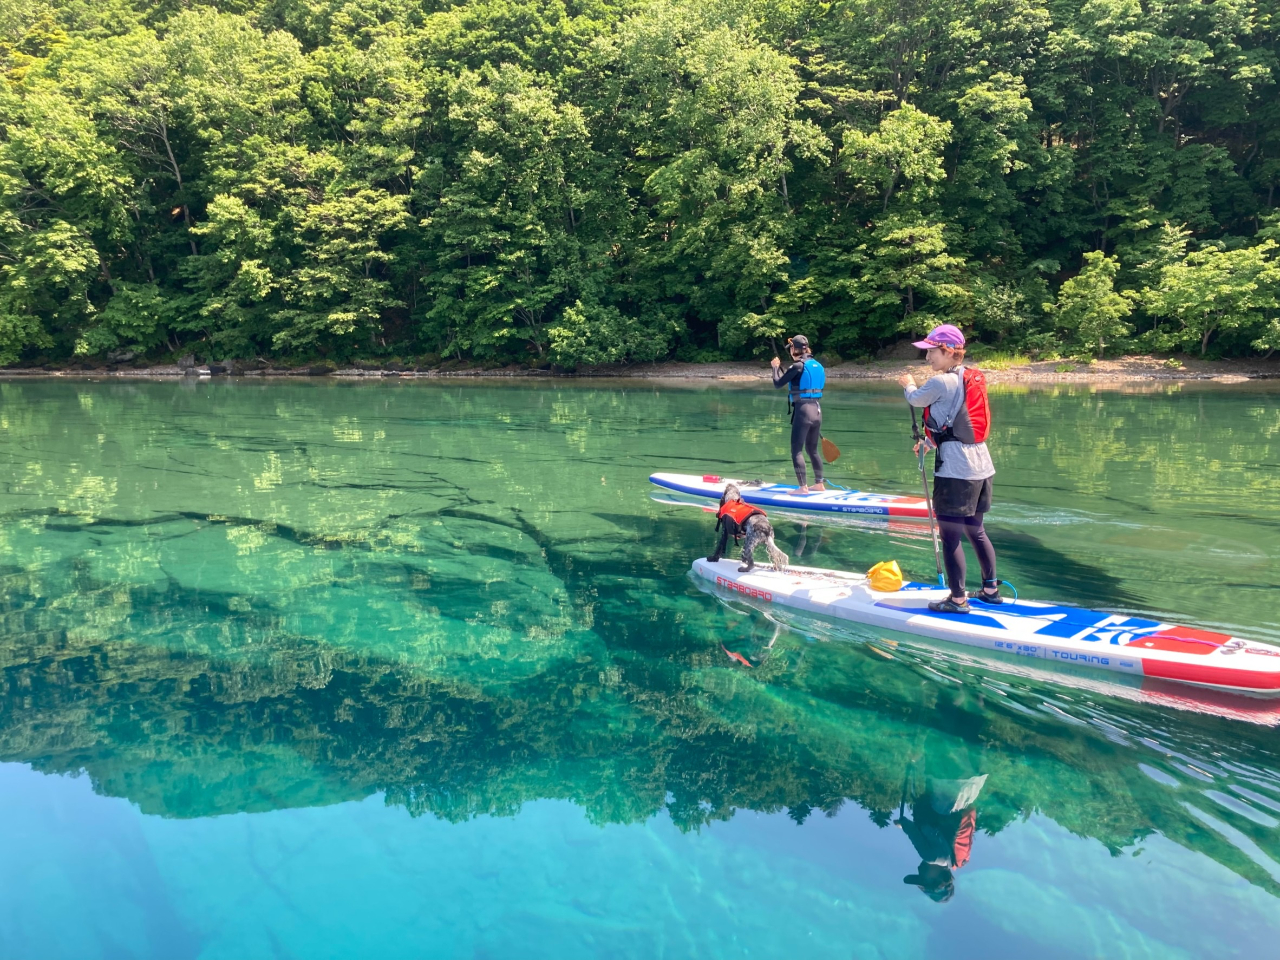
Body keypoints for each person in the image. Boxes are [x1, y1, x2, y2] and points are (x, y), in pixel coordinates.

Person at [896, 324, 999, 614]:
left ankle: (957, 600)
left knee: (950, 535)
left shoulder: (941, 382)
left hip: (956, 471)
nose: (927, 358)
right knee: (976, 530)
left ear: (947, 350)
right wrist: (930, 443)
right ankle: (990, 590)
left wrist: (908, 384)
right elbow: (955, 422)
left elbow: (916, 400)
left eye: (930, 352)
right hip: (981, 465)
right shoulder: (970, 377)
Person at [770, 335, 826, 493]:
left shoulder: (797, 367)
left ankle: (803, 487)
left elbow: (777, 383)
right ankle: (819, 484)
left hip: (803, 411)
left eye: (791, 348)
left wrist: (775, 367)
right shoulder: (818, 365)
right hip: (817, 409)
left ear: (794, 349)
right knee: (812, 450)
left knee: (797, 450)